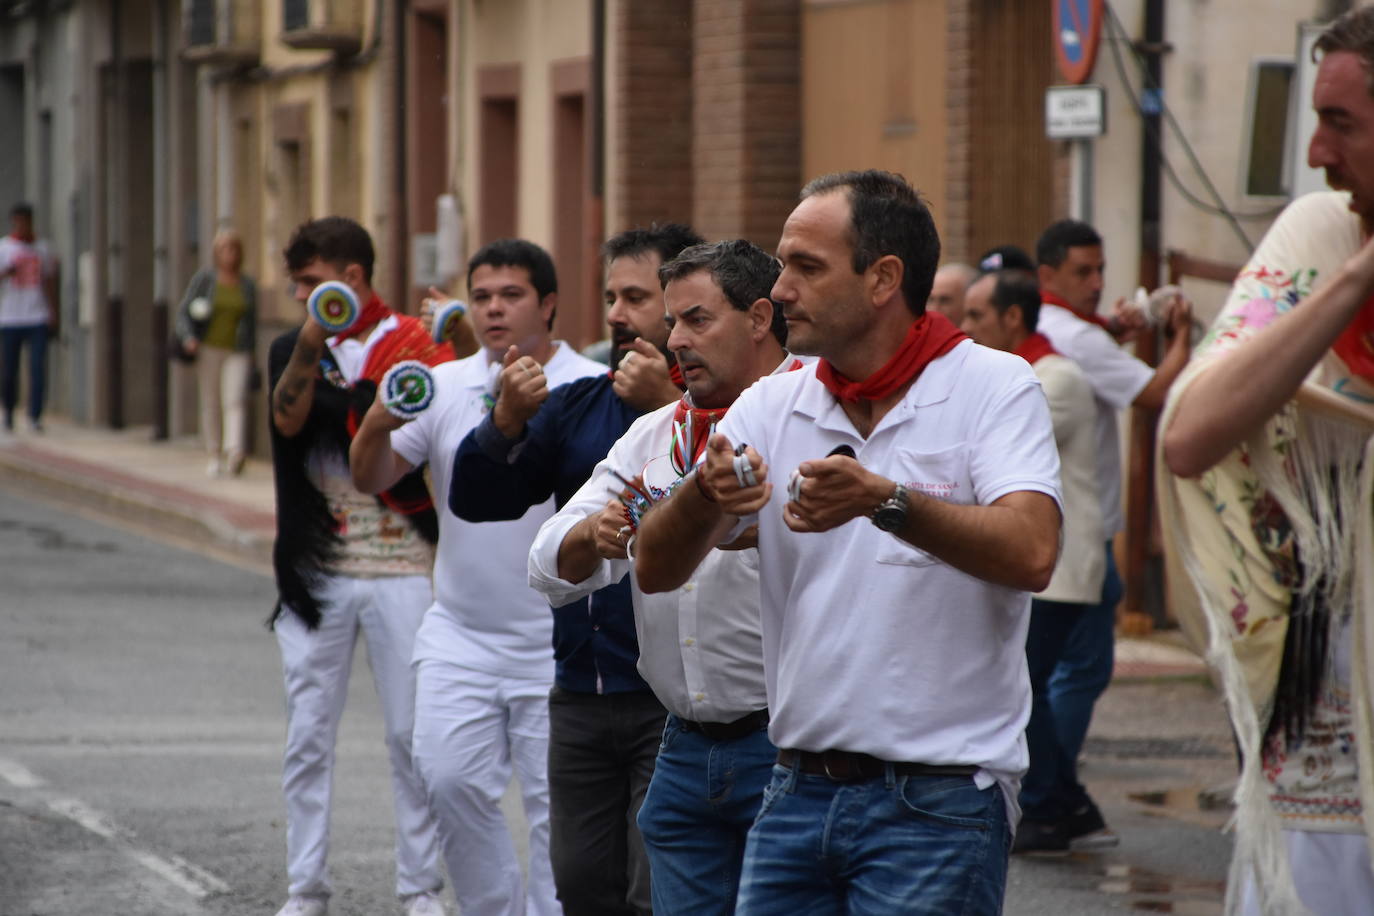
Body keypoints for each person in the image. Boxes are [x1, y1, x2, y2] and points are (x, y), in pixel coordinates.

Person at [634, 170, 1063, 914]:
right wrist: (703, 494)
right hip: (793, 792)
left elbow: (1032, 551)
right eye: (780, 265)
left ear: (882, 279)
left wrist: (888, 501)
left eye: (806, 266)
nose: (780, 290)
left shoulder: (994, 385)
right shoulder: (774, 401)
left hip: (937, 803)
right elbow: (654, 568)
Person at [1160, 8, 1374, 911]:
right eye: (1316, 121)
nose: (1319, 154)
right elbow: (1191, 433)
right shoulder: (1320, 235)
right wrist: (1360, 275)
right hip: (1328, 720)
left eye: (1344, 124)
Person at [528, 239, 795, 914]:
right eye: (672, 321)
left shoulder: (814, 421)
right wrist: (593, 535)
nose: (675, 340)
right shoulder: (652, 435)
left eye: (697, 320)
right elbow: (546, 564)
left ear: (760, 319)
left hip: (788, 753)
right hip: (680, 745)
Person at [449, 224, 703, 915]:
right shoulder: (580, 402)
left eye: (636, 297)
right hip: (578, 690)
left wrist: (665, 404)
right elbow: (479, 499)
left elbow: (728, 500)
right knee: (583, 887)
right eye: (611, 297)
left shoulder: (726, 410)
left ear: (679, 306)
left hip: (666, 697)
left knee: (653, 892)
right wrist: (502, 423)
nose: (617, 315)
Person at [350, 239, 605, 916]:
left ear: (548, 305)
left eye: (512, 295)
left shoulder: (586, 389)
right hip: (461, 634)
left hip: (558, 647)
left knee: (560, 816)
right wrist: (377, 420)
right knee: (445, 778)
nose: (494, 310)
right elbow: (371, 475)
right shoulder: (441, 383)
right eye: (483, 297)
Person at [266, 217, 449, 916]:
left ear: (353, 278)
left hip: (405, 566)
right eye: (296, 284)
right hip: (318, 573)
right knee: (308, 736)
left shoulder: (411, 347)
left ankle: (420, 888)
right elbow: (287, 421)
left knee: (410, 736)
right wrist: (314, 339)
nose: (301, 295)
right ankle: (305, 888)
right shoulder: (294, 348)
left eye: (313, 284)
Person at [1031, 217, 1193, 848]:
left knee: (1047, 673)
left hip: (1060, 527)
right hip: (1083, 533)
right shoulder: (1080, 338)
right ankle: (1053, 789)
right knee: (1073, 673)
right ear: (1048, 277)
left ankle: (1050, 789)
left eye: (1101, 269)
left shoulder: (1058, 330)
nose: (1098, 283)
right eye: (1083, 272)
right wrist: (1180, 340)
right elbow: (1156, 394)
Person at [960, 269, 1105, 854]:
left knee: (1032, 690)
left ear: (1012, 318)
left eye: (976, 315)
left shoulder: (1054, 378)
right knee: (1036, 687)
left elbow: (986, 451)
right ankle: (1068, 799)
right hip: (1041, 564)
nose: (967, 328)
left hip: (1058, 567)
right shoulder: (1017, 375)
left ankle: (1048, 803)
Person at [175, 227, 259, 476]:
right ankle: (214, 453)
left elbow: (251, 321)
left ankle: (234, 451)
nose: (229, 254)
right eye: (224, 249)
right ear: (216, 253)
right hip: (209, 347)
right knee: (211, 401)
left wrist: (253, 353)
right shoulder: (205, 280)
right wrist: (189, 337)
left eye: (233, 249)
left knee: (234, 400)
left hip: (238, 349)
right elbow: (185, 311)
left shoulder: (247, 285)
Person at [0, 202, 58, 434]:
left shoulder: (42, 248)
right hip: (9, 318)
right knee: (9, 370)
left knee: (37, 368)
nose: (23, 225)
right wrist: (7, 272)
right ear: (14, 222)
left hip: (37, 316)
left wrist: (54, 313)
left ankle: (35, 416)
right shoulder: (4, 247)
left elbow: (51, 281)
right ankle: (9, 414)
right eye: (19, 221)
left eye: (26, 221)